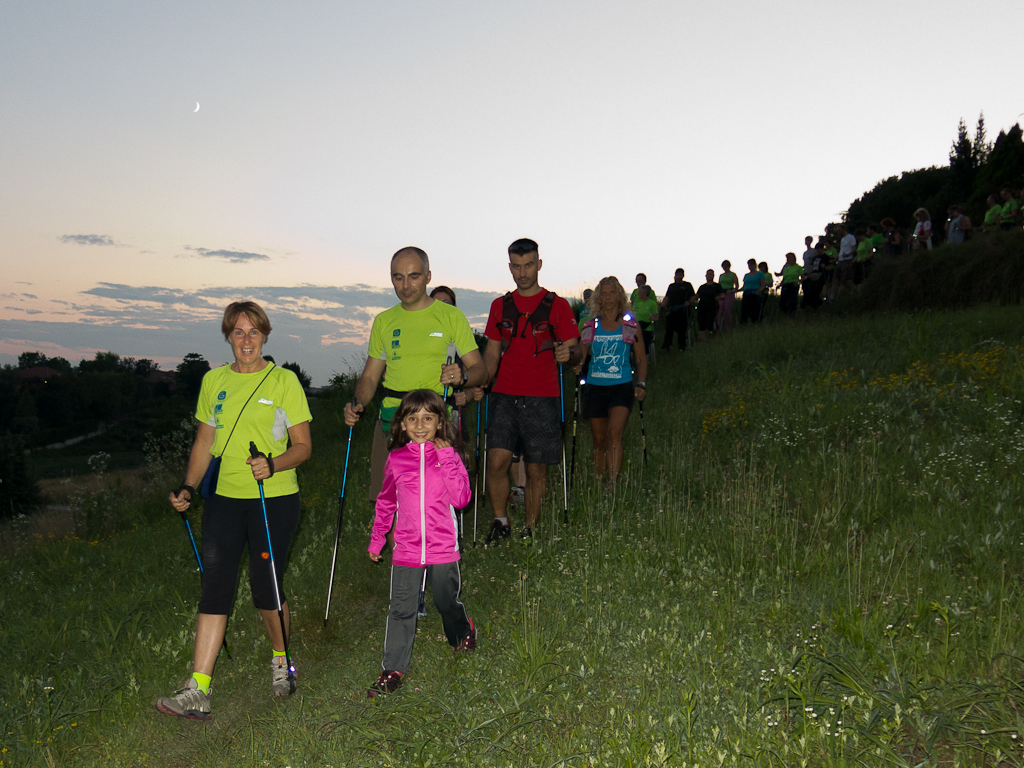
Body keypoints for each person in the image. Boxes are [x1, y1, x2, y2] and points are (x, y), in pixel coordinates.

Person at [156, 301, 312, 720]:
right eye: (238, 332)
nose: (246, 339)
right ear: (228, 336)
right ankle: (198, 689)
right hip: (224, 499)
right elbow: (204, 442)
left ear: (265, 336)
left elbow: (303, 447)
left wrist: (273, 464)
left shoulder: (284, 381)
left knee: (265, 586)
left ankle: (282, 661)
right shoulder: (214, 381)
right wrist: (189, 486)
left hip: (274, 499)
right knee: (215, 586)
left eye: (254, 331)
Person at [344, 248, 487, 503]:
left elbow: (480, 370)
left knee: (433, 503)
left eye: (414, 276)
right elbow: (370, 377)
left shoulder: (451, 316)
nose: (405, 285)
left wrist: (462, 377)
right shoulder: (384, 321)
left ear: (428, 276)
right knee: (387, 501)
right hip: (392, 420)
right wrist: (358, 403)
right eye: (398, 277)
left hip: (434, 421)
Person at [366, 390, 475, 697]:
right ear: (402, 424)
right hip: (407, 548)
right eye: (412, 419)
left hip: (443, 546)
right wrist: (378, 538)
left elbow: (462, 499)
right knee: (402, 609)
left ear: (440, 422)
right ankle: (392, 669)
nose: (420, 425)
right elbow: (386, 502)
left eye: (428, 418)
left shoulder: (449, 455)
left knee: (445, 601)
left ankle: (463, 632)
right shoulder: (397, 459)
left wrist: (447, 458)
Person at [482, 238, 579, 542]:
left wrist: (569, 354)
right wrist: (481, 380)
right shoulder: (499, 306)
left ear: (539, 264)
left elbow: (576, 350)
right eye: (516, 266)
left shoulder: (558, 305)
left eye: (527, 266)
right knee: (496, 461)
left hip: (543, 395)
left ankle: (530, 529)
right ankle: (501, 522)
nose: (522, 273)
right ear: (509, 267)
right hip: (504, 393)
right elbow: (491, 354)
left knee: (537, 469)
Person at [575, 277, 647, 484]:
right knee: (599, 440)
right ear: (598, 297)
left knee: (614, 434)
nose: (607, 298)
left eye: (612, 293)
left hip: (621, 386)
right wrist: (574, 362)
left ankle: (612, 485)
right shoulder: (590, 325)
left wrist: (641, 383)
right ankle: (598, 482)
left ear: (619, 296)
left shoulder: (629, 325)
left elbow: (641, 358)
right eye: (604, 294)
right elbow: (581, 354)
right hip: (595, 387)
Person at [659, 268, 695, 351]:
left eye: (680, 275)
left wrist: (689, 302)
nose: (678, 276)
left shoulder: (687, 285)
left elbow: (693, 296)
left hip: (683, 310)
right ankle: (666, 346)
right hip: (672, 310)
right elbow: (667, 297)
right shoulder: (671, 286)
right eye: (677, 275)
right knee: (669, 328)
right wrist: (662, 306)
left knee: (682, 329)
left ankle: (682, 346)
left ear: (683, 275)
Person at [695, 270, 724, 341]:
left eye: (711, 274)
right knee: (701, 324)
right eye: (708, 274)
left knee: (710, 324)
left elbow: (723, 295)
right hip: (701, 307)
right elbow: (697, 296)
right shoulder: (702, 287)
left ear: (713, 276)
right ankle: (702, 341)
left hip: (712, 307)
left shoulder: (717, 286)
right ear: (706, 276)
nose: (709, 276)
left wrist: (719, 297)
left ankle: (716, 334)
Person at [830, 224, 856, 300]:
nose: (838, 232)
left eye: (839, 230)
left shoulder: (851, 237)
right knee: (835, 278)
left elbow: (854, 249)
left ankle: (851, 290)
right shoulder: (842, 239)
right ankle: (832, 295)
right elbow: (842, 250)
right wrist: (836, 256)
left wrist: (848, 254)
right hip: (840, 260)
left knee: (844, 278)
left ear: (844, 229)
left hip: (847, 260)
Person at [631, 284, 659, 353]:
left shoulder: (652, 304)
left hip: (647, 329)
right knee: (631, 346)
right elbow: (633, 314)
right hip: (637, 327)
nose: (638, 294)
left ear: (644, 293)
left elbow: (656, 317)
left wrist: (652, 319)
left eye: (640, 292)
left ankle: (645, 358)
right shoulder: (637, 304)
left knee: (645, 347)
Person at [740, 259, 764, 324]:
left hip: (755, 293)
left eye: (752, 265)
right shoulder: (746, 275)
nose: (750, 266)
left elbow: (763, 285)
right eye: (749, 265)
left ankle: (756, 322)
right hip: (746, 293)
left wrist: (759, 291)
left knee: (754, 309)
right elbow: (744, 286)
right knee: (744, 310)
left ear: (755, 265)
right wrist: (737, 290)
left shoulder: (760, 274)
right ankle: (743, 323)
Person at [717, 260, 739, 332]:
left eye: (726, 266)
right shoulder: (721, 276)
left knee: (727, 310)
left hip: (729, 293)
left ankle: (728, 328)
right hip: (722, 293)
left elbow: (737, 286)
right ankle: (718, 327)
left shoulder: (733, 275)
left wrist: (732, 291)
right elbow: (719, 285)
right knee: (719, 310)